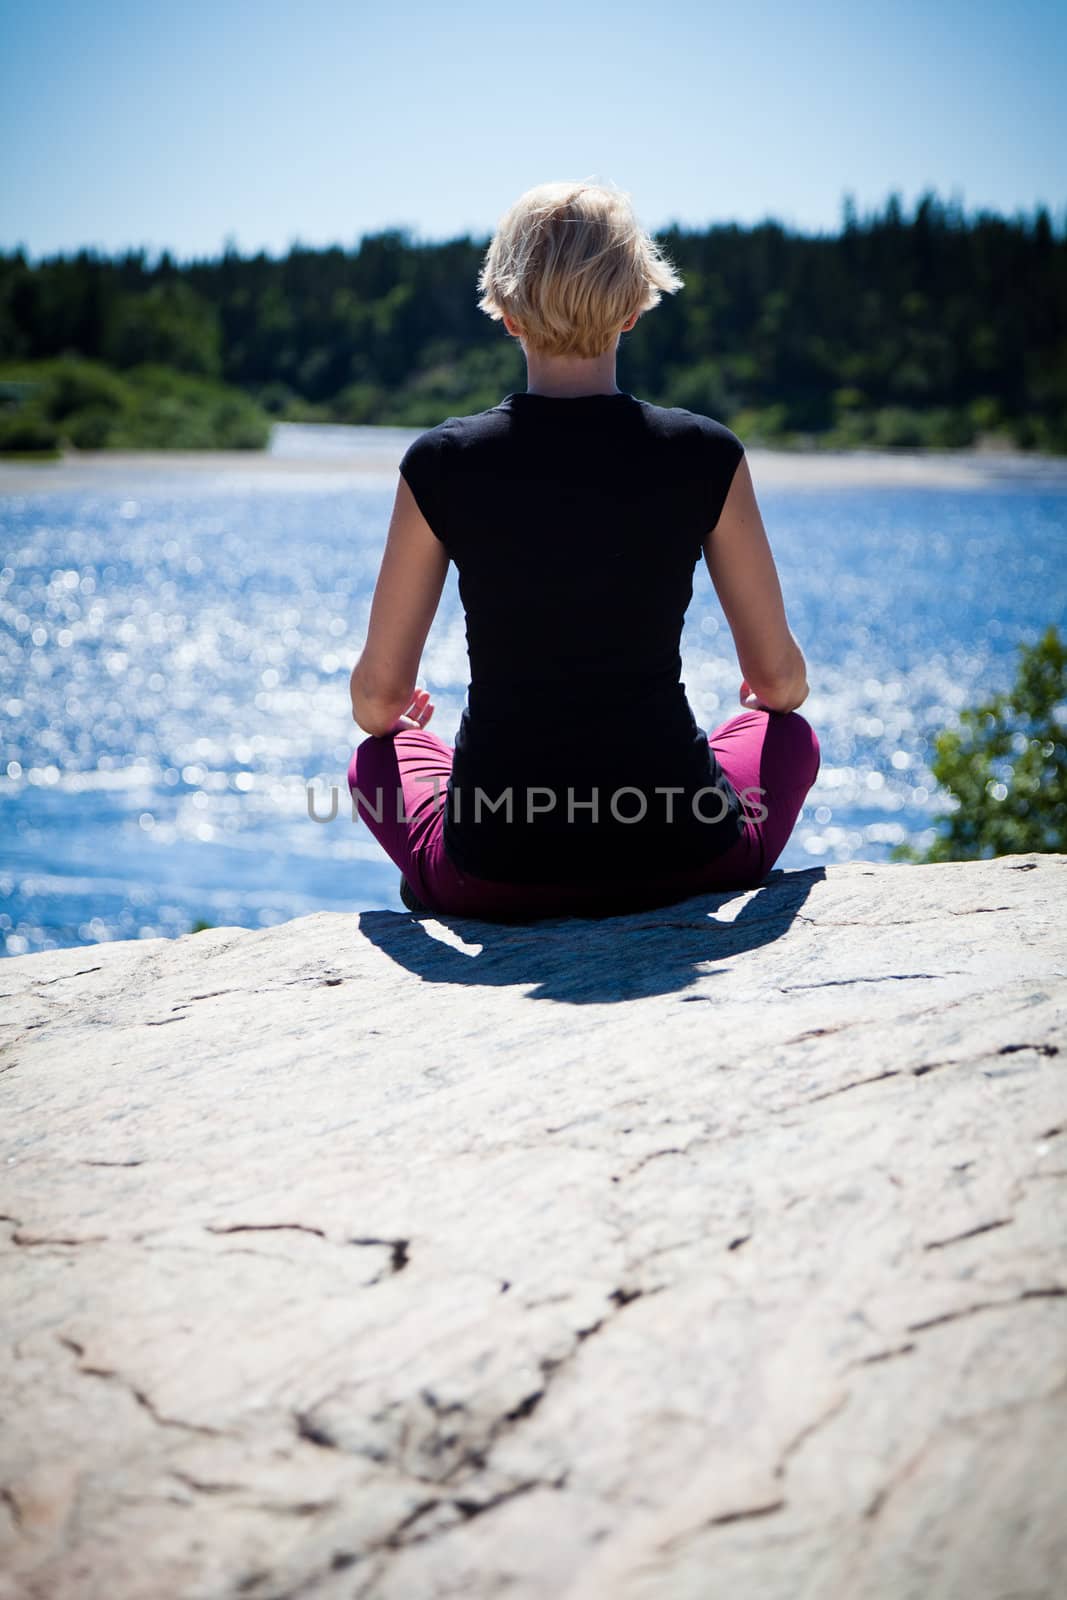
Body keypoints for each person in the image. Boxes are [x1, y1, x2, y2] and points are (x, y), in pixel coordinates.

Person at [348, 179, 819, 920]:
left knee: (377, 761)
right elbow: (780, 684)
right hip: (684, 852)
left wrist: (401, 727)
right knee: (785, 736)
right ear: (634, 307)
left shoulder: (440, 461)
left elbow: (377, 704)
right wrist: (767, 700)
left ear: (505, 314)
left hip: (497, 868)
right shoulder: (705, 453)